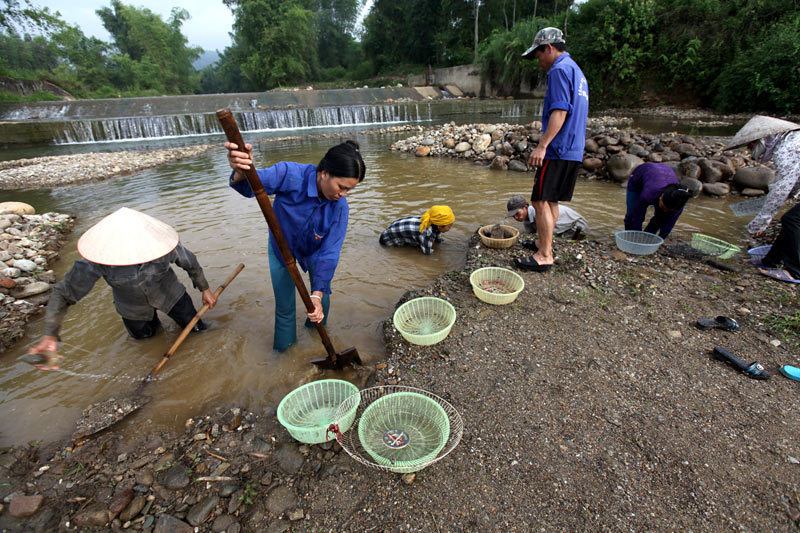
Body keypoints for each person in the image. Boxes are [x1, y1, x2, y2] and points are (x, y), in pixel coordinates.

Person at [28, 207, 217, 369]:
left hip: (170, 295)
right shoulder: (98, 258)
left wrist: (205, 289)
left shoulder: (165, 244)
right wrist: (50, 334)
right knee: (146, 345)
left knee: (199, 331)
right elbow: (63, 293)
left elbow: (190, 263)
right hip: (131, 307)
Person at [226, 139, 365, 351]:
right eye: (341, 187)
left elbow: (330, 252)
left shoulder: (340, 208)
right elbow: (250, 186)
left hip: (316, 252)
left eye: (348, 190)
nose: (342, 195)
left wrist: (316, 295)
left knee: (321, 304)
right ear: (324, 173)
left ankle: (315, 339)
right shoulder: (289, 174)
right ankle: (285, 354)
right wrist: (242, 170)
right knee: (285, 308)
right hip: (281, 249)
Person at [517, 27, 589, 272]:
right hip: (574, 148)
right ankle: (543, 243)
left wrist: (542, 145)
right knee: (551, 200)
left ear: (548, 48)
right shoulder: (576, 71)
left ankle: (545, 255)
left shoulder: (559, 70)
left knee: (538, 201)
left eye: (538, 56)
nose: (538, 62)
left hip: (558, 148)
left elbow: (560, 112)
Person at [727, 115, 800, 280]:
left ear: (762, 140)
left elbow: (781, 189)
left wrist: (761, 222)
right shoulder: (791, 140)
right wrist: (788, 195)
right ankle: (771, 261)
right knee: (790, 221)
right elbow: (793, 181)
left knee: (792, 220)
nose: (750, 149)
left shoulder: (788, 148)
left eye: (751, 145)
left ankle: (794, 271)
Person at [623, 163, 693, 239]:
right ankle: (628, 237)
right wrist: (636, 237)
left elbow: (669, 224)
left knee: (661, 218)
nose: (665, 210)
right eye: (664, 206)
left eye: (669, 209)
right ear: (661, 197)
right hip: (639, 176)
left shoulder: (679, 202)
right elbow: (637, 216)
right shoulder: (649, 194)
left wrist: (661, 238)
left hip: (662, 175)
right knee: (631, 214)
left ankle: (647, 238)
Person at [505, 194, 588, 243]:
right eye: (513, 216)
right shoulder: (526, 218)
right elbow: (530, 233)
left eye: (517, 213)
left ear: (525, 207)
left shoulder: (538, 213)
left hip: (578, 225)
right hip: (562, 222)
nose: (516, 217)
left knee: (548, 238)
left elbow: (542, 234)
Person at [379, 206, 455, 255]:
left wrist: (440, 242)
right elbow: (427, 252)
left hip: (394, 229)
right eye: (450, 226)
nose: (451, 227)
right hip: (388, 240)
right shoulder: (427, 234)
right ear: (439, 226)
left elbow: (438, 236)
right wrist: (439, 253)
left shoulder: (430, 220)